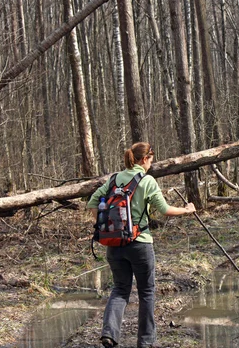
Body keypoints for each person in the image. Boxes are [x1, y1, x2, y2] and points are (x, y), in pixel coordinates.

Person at [87, 142, 196, 348]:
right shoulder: (147, 181)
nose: (151, 164)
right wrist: (187, 210)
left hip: (115, 244)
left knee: (120, 289)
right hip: (140, 244)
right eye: (151, 160)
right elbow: (164, 209)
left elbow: (93, 202)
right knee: (146, 292)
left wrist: (105, 227)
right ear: (144, 159)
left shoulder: (114, 179)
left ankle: (109, 334)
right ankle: (146, 341)